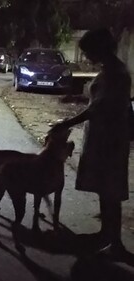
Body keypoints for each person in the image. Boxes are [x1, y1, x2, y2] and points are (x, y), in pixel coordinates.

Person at [49, 28, 132, 257]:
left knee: (110, 192)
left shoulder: (116, 73)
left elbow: (100, 108)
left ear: (99, 48)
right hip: (104, 136)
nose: (86, 56)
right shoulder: (111, 70)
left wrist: (68, 123)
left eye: (87, 52)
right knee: (107, 191)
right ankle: (108, 236)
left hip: (110, 140)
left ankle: (114, 242)